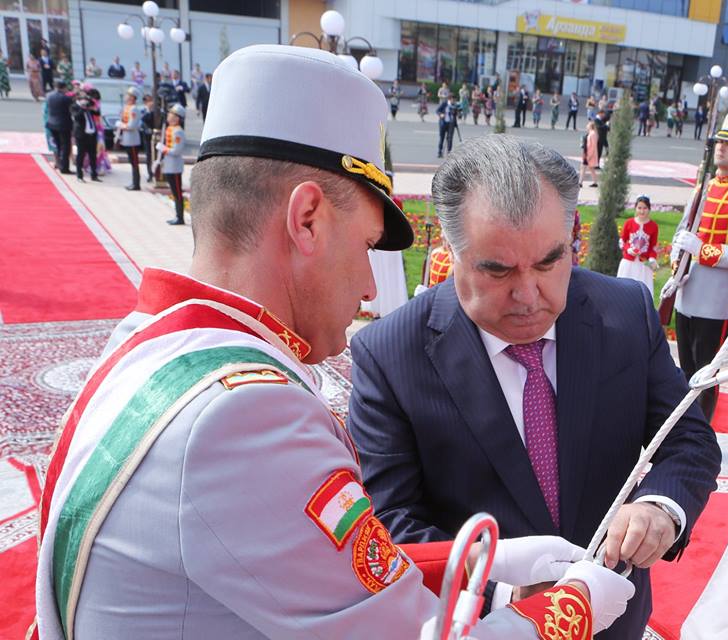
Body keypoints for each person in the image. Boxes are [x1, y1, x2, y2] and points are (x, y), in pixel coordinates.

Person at [34, 44, 634, 640]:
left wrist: (485, 561)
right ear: (308, 220)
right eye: (367, 245)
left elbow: (320, 563)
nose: (371, 287)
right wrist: (577, 604)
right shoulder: (245, 416)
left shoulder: (156, 345)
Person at [347, 134, 721, 640]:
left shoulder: (626, 314)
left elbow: (689, 440)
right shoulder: (391, 354)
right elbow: (390, 524)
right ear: (451, 252)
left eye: (548, 262)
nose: (528, 296)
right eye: (497, 270)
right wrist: (503, 592)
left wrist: (660, 508)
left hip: (615, 620)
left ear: (572, 238)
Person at [669, 111, 728, 422]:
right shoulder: (703, 188)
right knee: (685, 371)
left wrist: (702, 250)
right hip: (687, 293)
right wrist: (676, 264)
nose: (721, 147)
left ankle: (700, 433)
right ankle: (684, 428)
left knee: (706, 377)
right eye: (720, 141)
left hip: (714, 301)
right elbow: (682, 233)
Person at [617, 195, 659, 293]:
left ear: (649, 209)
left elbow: (653, 246)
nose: (642, 211)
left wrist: (652, 258)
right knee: (624, 289)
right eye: (639, 208)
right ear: (635, 208)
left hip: (643, 264)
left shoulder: (654, 226)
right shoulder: (629, 223)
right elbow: (622, 241)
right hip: (628, 263)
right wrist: (628, 249)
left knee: (642, 290)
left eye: (645, 208)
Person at [159, 103, 187, 225]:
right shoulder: (170, 128)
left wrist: (164, 149)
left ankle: (180, 217)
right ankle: (177, 216)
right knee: (174, 192)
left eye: (171, 114)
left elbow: (177, 150)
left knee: (177, 192)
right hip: (169, 164)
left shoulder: (178, 132)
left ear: (177, 118)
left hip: (175, 166)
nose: (169, 115)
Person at [116, 86, 142, 190]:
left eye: (128, 95)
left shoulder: (134, 109)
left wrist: (120, 124)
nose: (126, 97)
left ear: (132, 97)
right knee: (132, 162)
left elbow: (131, 126)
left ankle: (136, 184)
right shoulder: (127, 107)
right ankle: (134, 182)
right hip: (127, 139)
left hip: (132, 140)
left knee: (134, 162)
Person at [45, 81, 73, 173]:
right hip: (63, 125)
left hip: (51, 124)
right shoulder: (65, 98)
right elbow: (72, 106)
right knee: (65, 147)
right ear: (64, 88)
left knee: (58, 145)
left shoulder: (49, 96)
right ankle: (64, 168)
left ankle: (60, 164)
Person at [71, 91, 100, 182]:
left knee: (93, 155)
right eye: (83, 98)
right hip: (81, 134)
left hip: (92, 134)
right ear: (78, 98)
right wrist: (83, 108)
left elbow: (97, 113)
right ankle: (79, 176)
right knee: (81, 155)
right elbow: (77, 117)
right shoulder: (74, 106)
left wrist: (92, 106)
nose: (85, 100)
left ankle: (94, 175)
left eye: (86, 98)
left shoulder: (89, 105)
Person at [436, 93, 458, 158]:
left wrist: (457, 113)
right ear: (449, 99)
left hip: (451, 124)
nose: (454, 101)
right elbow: (437, 111)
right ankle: (439, 152)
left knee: (450, 138)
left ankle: (449, 152)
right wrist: (441, 114)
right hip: (443, 123)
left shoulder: (455, 106)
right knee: (442, 138)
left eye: (455, 100)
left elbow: (457, 114)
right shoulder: (444, 104)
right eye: (453, 100)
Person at [579, 120, 599, 188]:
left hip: (589, 154)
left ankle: (580, 182)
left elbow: (593, 146)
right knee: (591, 168)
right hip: (588, 153)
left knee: (583, 167)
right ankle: (595, 182)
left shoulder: (592, 134)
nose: (587, 126)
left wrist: (589, 156)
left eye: (588, 125)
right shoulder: (591, 133)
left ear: (590, 126)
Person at [140, 94, 156, 182]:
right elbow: (141, 122)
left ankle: (156, 173)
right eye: (146, 101)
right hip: (147, 136)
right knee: (149, 155)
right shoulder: (143, 111)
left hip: (156, 135)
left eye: (150, 100)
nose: (149, 103)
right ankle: (150, 173)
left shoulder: (157, 110)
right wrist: (149, 111)